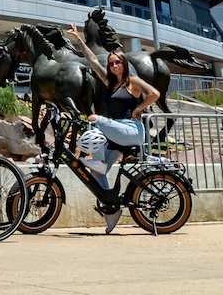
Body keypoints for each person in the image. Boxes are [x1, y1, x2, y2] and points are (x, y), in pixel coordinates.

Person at [66, 23, 160, 234]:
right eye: (111, 63)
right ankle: (111, 209)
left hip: (131, 132)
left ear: (124, 64)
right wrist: (79, 39)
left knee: (96, 120)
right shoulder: (109, 82)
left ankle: (98, 162)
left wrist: (138, 109)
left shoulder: (132, 82)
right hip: (116, 136)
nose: (114, 65)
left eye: (118, 62)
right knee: (96, 174)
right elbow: (91, 60)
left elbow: (155, 93)